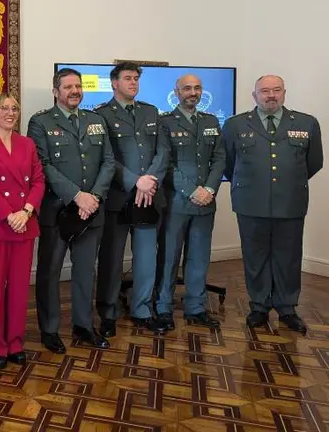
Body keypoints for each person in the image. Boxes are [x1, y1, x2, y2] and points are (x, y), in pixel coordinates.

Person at [222, 75, 323, 334]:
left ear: (284, 93)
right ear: (254, 95)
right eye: (264, 91)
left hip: (290, 202)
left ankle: (287, 307)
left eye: (276, 90)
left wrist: (287, 184)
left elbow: (314, 162)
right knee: (255, 256)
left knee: (288, 257)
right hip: (249, 202)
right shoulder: (235, 125)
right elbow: (229, 163)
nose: (271, 95)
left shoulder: (306, 122)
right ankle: (259, 306)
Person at [28, 68, 115, 351]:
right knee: (50, 272)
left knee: (85, 271)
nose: (75, 91)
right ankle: (50, 329)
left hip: (93, 211)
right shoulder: (40, 122)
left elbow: (108, 162)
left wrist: (94, 197)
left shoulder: (96, 120)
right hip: (58, 211)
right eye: (68, 87)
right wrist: (77, 196)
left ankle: (83, 325)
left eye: (78, 86)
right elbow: (42, 165)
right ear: (56, 91)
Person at [95, 62, 170, 335]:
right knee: (112, 259)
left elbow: (162, 152)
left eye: (136, 78)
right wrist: (134, 180)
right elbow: (105, 158)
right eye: (128, 78)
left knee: (146, 258)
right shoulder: (101, 115)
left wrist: (149, 180)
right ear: (114, 83)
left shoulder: (151, 112)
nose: (133, 83)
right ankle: (108, 314)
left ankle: (142, 310)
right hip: (118, 198)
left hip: (149, 196)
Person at [0, 93, 45, 368]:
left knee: (18, 288)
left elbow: (38, 180)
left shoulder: (27, 144)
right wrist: (9, 215)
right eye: (4, 108)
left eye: (14, 108)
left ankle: (15, 342)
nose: (10, 112)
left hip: (24, 224)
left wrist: (26, 211)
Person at [155, 74, 224, 330]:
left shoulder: (211, 121)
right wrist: (192, 190)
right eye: (187, 88)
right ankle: (163, 308)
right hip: (176, 201)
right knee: (169, 257)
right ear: (177, 92)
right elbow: (166, 163)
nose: (192, 92)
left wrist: (209, 188)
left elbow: (219, 159)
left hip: (206, 202)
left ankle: (196, 308)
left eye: (197, 88)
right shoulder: (164, 122)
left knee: (199, 257)